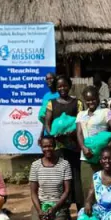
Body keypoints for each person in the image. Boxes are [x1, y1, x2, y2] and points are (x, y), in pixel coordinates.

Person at [44, 75, 84, 211]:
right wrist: (53, 136)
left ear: (70, 85)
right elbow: (47, 122)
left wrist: (72, 134)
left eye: (65, 85)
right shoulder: (52, 103)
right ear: (56, 88)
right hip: (59, 147)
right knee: (61, 178)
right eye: (59, 86)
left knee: (76, 177)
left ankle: (81, 209)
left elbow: (81, 121)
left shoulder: (77, 102)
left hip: (74, 146)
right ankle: (63, 210)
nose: (62, 88)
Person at [76, 86, 111, 198]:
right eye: (88, 100)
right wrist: (84, 148)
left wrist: (108, 148)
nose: (91, 102)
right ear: (84, 100)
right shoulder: (81, 115)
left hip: (103, 158)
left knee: (104, 186)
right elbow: (79, 133)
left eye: (93, 99)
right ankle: (89, 212)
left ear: (98, 98)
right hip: (86, 157)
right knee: (87, 187)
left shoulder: (105, 112)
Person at [29, 136, 71, 220]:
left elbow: (67, 191)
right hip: (41, 205)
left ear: (55, 146)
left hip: (58, 205)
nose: (48, 149)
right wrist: (39, 210)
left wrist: (55, 208)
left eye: (50, 146)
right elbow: (33, 192)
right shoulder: (35, 165)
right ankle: (37, 216)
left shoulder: (65, 164)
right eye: (45, 146)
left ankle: (63, 217)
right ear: (41, 147)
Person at [39, 72, 59, 137]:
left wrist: (48, 118)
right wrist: (41, 134)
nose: (49, 81)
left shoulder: (60, 95)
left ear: (55, 80)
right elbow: (45, 118)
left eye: (51, 78)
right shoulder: (46, 96)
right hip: (47, 133)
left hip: (57, 132)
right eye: (47, 79)